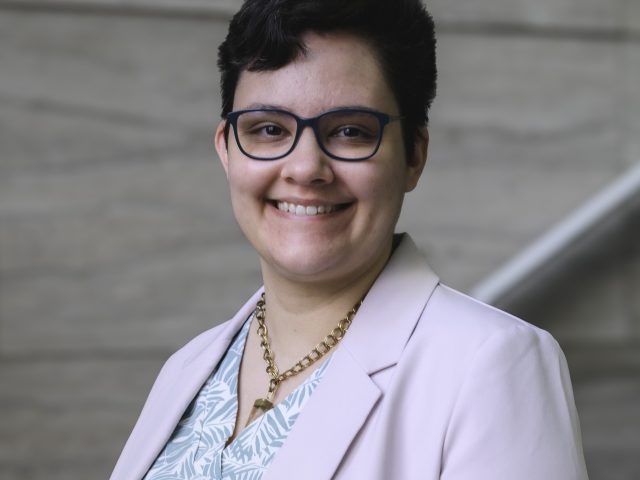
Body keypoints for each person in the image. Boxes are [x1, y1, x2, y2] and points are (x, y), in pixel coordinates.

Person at [111, 0, 589, 478]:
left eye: (349, 132)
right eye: (269, 129)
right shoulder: (187, 370)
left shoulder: (491, 366)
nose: (304, 169)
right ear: (228, 150)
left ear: (413, 157)